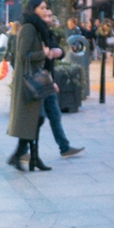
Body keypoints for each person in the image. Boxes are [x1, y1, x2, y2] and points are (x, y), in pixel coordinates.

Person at [7, 0, 56, 172]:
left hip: (36, 80)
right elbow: (22, 55)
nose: (45, 10)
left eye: (46, 7)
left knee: (36, 119)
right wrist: (42, 54)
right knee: (36, 119)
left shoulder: (38, 27)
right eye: (42, 7)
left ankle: (31, 157)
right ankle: (21, 155)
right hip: (28, 81)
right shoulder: (28, 28)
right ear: (33, 9)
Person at [42, 8, 85, 159]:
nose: (49, 18)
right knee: (38, 119)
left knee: (55, 115)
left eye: (49, 15)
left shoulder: (47, 31)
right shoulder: (35, 31)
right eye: (45, 15)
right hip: (40, 81)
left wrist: (57, 52)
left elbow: (57, 50)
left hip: (48, 80)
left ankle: (64, 147)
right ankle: (21, 151)